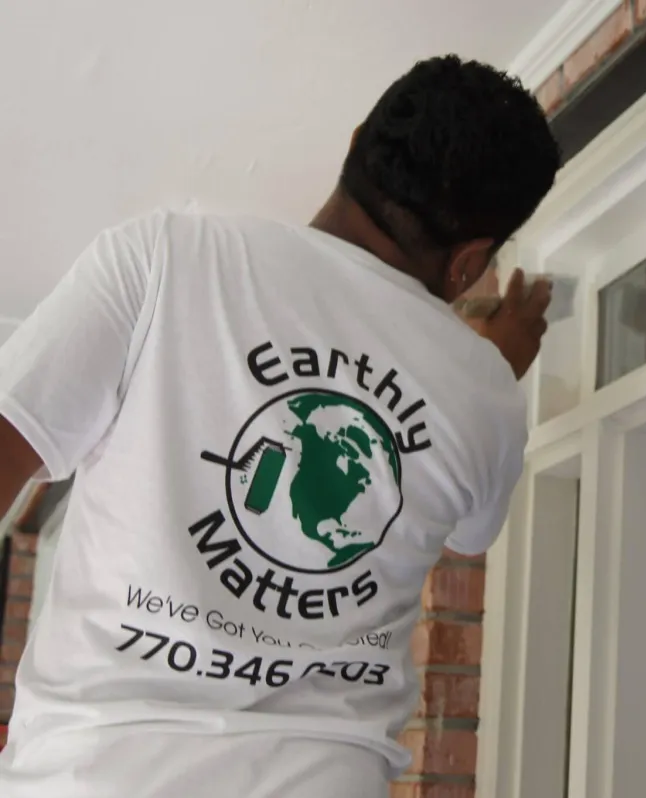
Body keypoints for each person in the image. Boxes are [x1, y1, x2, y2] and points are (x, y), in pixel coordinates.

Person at [0, 55, 560, 797]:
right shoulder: (485, 391)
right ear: (470, 263)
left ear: (356, 140)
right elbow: (467, 530)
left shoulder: (162, 256)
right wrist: (486, 365)